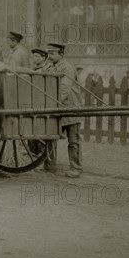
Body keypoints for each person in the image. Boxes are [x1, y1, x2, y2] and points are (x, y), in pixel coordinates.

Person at [47, 43, 84, 178]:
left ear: (61, 54)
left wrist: (52, 104)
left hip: (70, 107)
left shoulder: (67, 67)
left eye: (52, 53)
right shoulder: (51, 67)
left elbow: (64, 89)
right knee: (50, 137)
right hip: (56, 108)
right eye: (48, 53)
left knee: (73, 140)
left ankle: (76, 168)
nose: (49, 56)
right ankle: (50, 166)